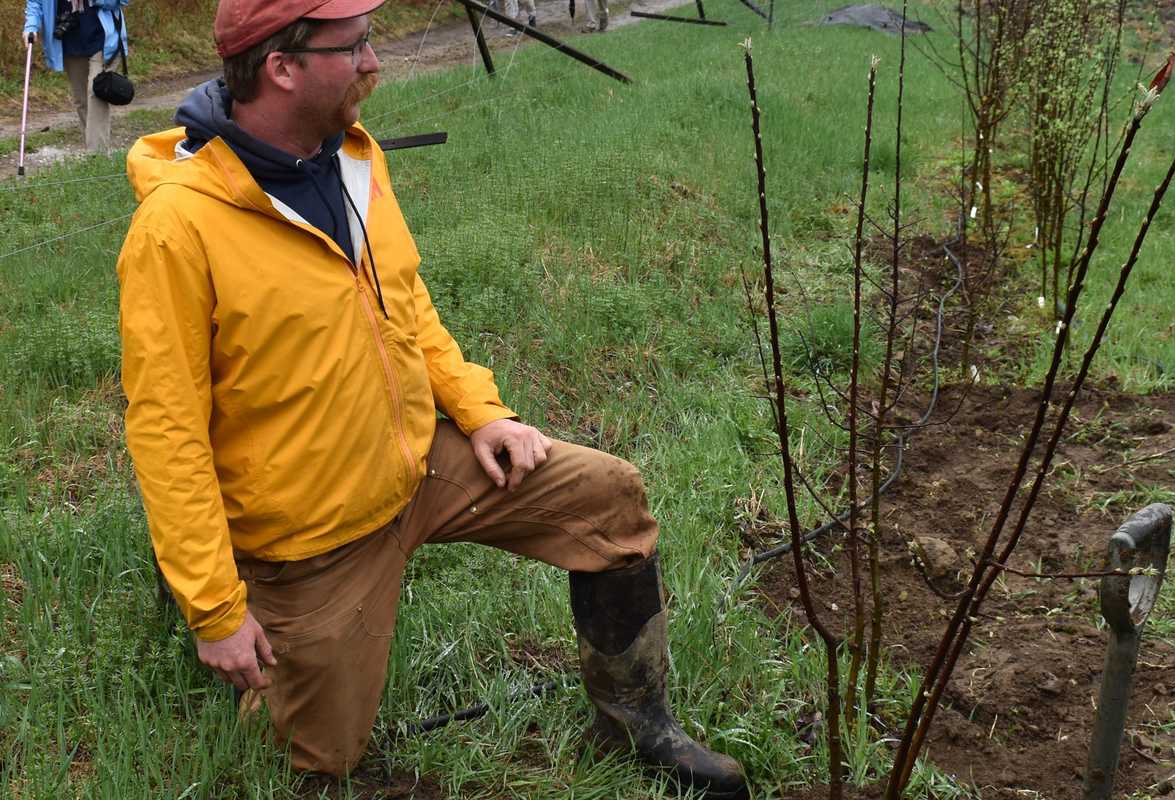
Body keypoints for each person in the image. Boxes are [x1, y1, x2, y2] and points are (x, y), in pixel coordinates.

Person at [115, 0, 747, 797]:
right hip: (314, 538)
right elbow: (166, 431)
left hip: (417, 467)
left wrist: (482, 413)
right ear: (282, 66)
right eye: (357, 46)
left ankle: (638, 726)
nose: (376, 64)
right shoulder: (177, 229)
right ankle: (269, 656)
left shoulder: (351, 158)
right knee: (318, 762)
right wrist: (213, 608)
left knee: (608, 503)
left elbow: (406, 307)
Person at [22, 0, 129, 152]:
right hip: (70, 38)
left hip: (102, 39)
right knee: (81, 99)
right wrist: (31, 25)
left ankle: (96, 156)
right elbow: (36, 2)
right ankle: (95, 148)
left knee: (96, 91)